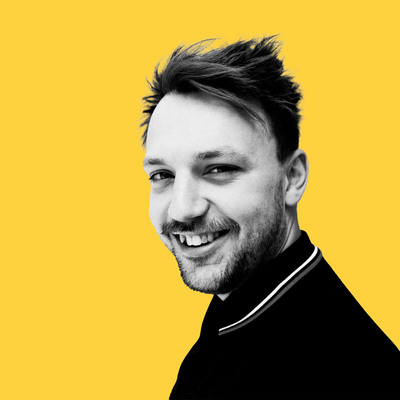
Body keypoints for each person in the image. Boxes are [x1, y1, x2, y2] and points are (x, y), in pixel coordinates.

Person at [141, 37, 400, 399]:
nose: (181, 209)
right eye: (162, 175)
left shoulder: (329, 368)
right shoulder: (244, 314)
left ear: (292, 177)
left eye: (219, 169)